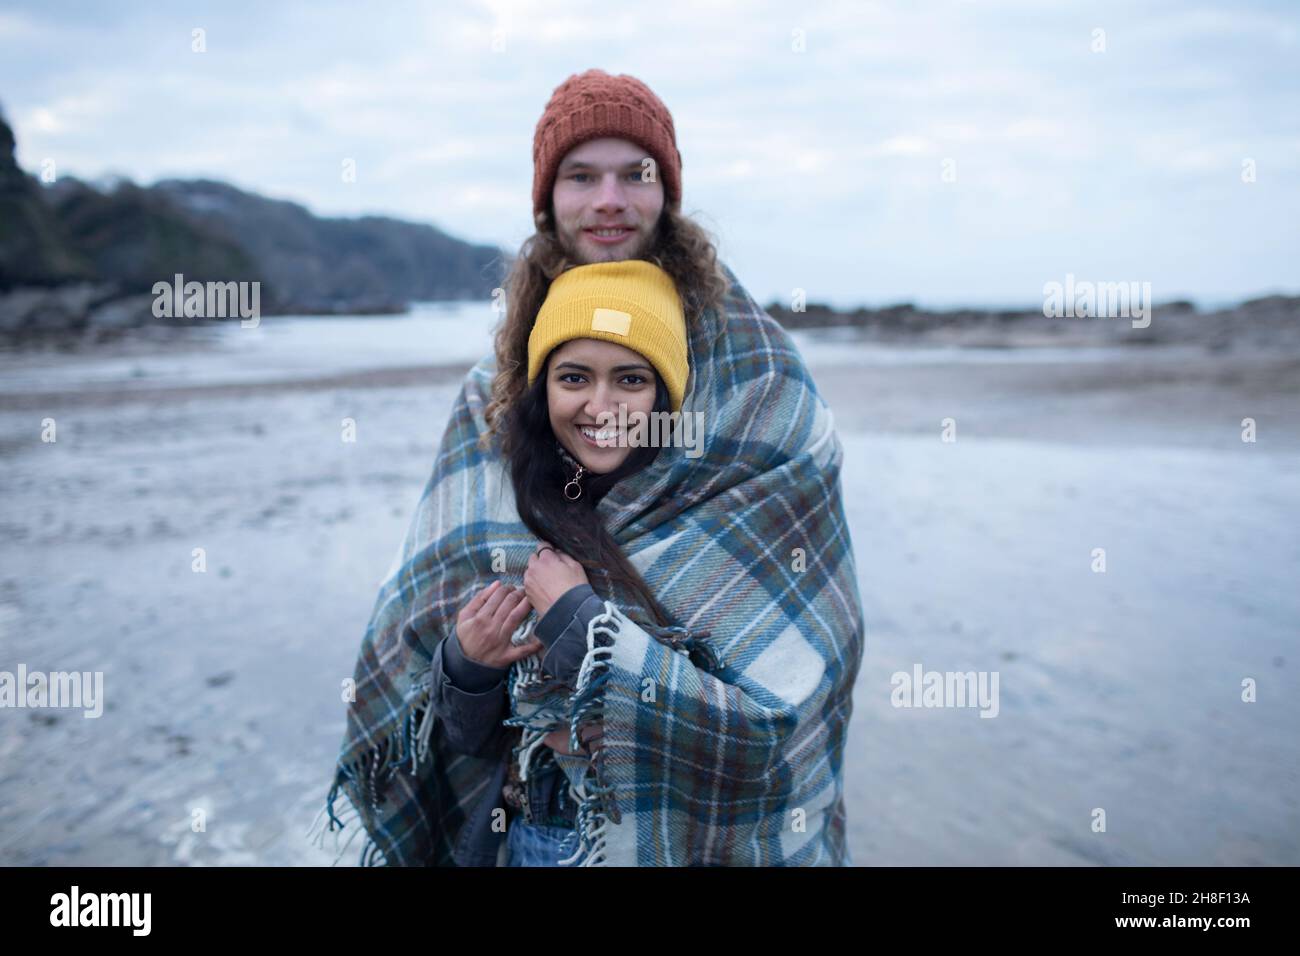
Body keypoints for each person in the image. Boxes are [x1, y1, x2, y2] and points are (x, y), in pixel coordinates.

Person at [318, 68, 865, 867]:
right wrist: (467, 665)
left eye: (634, 174)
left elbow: (796, 670)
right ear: (548, 201)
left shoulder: (764, 385)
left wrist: (589, 629)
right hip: (528, 822)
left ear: (667, 194)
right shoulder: (493, 395)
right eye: (581, 176)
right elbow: (439, 654)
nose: (608, 199)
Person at [435, 258, 690, 866]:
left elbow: (744, 732)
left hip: (662, 844)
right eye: (574, 378)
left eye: (631, 380)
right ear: (541, 388)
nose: (601, 407)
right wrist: (468, 665)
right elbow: (466, 739)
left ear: (665, 391)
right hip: (533, 834)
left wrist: (580, 624)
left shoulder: (707, 515)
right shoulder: (504, 510)